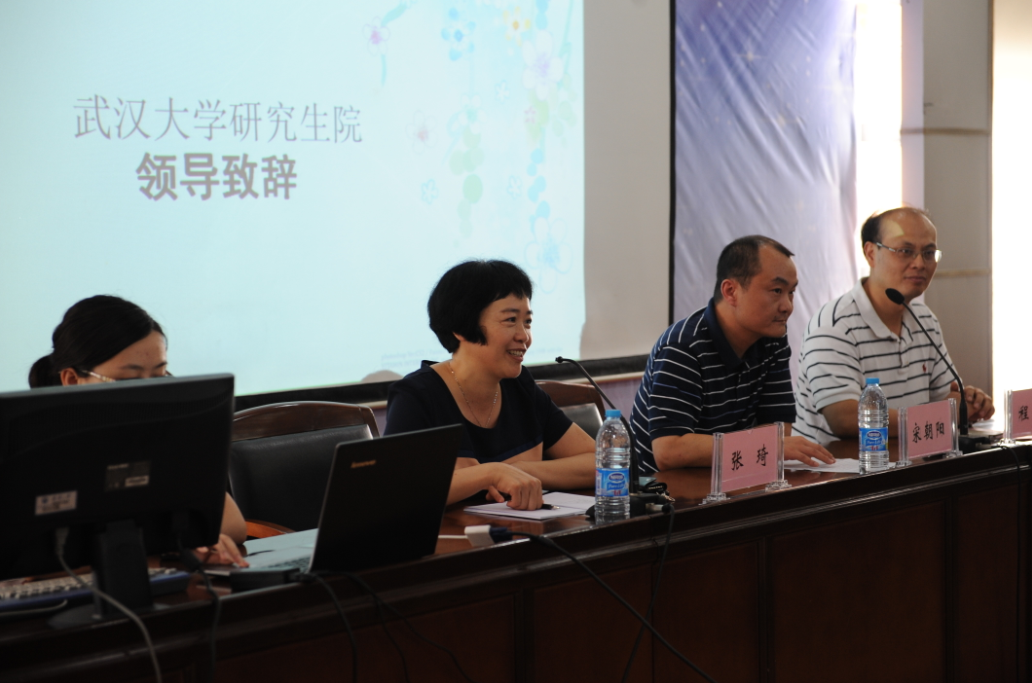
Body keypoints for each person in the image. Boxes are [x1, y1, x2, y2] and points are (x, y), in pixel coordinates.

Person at [30, 295, 249, 566]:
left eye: (159, 377)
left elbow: (232, 523)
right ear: (73, 380)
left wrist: (174, 548)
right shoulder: (36, 451)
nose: (150, 396)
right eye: (129, 380)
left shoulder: (161, 437)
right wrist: (163, 548)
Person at [384, 260, 596, 510]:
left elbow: (599, 463)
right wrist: (491, 474)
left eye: (527, 322)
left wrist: (519, 471)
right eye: (510, 320)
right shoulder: (417, 396)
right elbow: (398, 490)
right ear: (461, 327)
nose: (524, 336)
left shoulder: (521, 387)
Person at [630, 236, 835, 471]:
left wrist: (762, 446)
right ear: (731, 291)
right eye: (777, 290)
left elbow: (778, 428)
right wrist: (764, 446)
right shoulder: (683, 347)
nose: (787, 306)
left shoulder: (772, 338)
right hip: (663, 488)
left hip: (732, 476)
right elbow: (670, 450)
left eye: (791, 292)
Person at [793, 208, 993, 445]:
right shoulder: (834, 325)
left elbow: (951, 398)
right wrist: (934, 418)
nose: (919, 263)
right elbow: (846, 418)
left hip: (909, 460)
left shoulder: (924, 319)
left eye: (929, 253)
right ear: (871, 253)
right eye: (905, 251)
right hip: (841, 466)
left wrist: (969, 403)